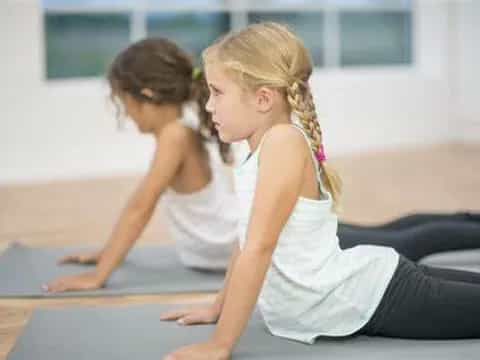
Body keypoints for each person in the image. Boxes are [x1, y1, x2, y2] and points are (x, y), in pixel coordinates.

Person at [160, 22, 480, 360]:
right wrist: (217, 307)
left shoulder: (282, 142)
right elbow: (246, 239)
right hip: (363, 288)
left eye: (217, 92)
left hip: (373, 295)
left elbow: (258, 248)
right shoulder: (254, 148)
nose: (209, 106)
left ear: (263, 98)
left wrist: (220, 344)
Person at [43, 37, 237, 293]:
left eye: (125, 104)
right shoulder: (182, 129)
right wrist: (107, 252)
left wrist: (98, 275)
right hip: (221, 242)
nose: (127, 115)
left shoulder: (174, 136)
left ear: (146, 95)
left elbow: (140, 207)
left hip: (225, 244)